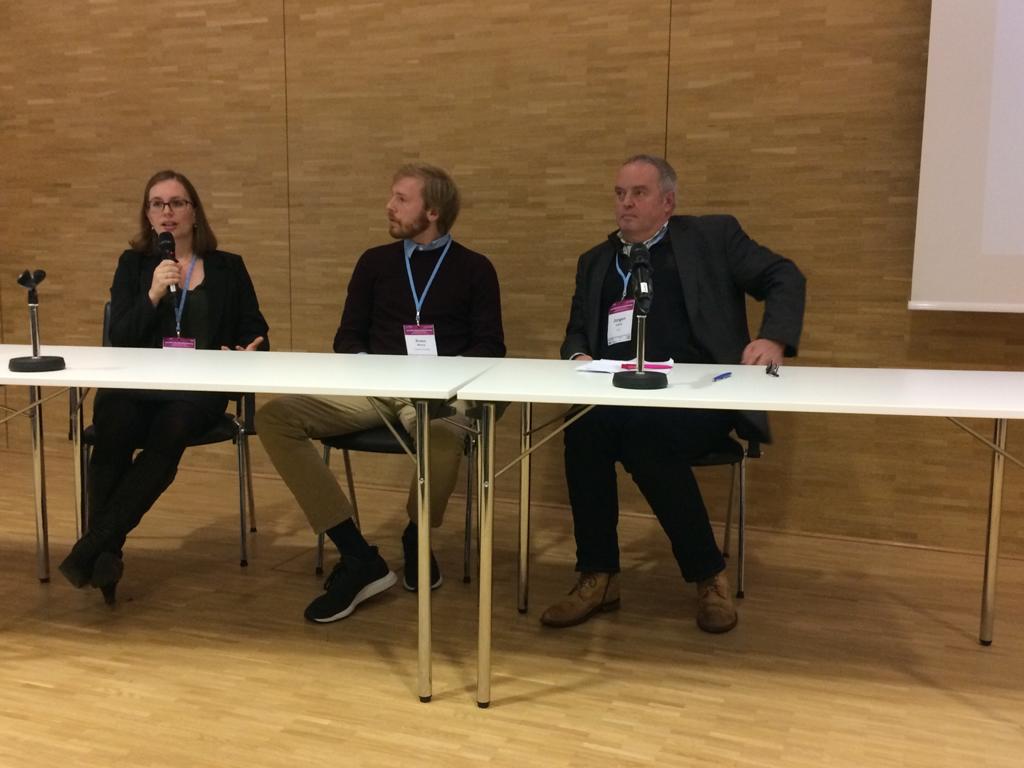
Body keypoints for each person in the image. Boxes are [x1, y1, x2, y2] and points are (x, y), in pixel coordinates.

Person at [542, 154, 805, 633]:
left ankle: (709, 576)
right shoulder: (596, 261)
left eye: (638, 193)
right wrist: (578, 355)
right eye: (620, 194)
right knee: (582, 431)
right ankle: (599, 575)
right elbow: (577, 331)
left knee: (646, 436)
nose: (625, 203)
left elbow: (784, 275)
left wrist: (774, 338)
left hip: (699, 396)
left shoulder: (712, 237)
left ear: (668, 202)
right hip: (618, 394)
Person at [257, 163, 505, 624]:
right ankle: (357, 555)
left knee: (444, 434)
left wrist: (441, 380)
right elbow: (347, 337)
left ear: (432, 211)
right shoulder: (374, 263)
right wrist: (370, 368)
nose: (389, 206)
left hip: (437, 394)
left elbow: (490, 346)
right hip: (374, 390)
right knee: (275, 417)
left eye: (401, 199)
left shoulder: (475, 268)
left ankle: (416, 537)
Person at [58, 170, 270, 604]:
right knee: (114, 426)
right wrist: (152, 294)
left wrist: (248, 349)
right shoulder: (133, 264)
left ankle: (92, 547)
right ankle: (103, 554)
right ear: (148, 214)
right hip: (135, 385)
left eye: (177, 202)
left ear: (194, 212)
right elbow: (120, 336)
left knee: (170, 430)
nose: (167, 212)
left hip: (197, 390)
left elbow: (257, 331)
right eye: (157, 204)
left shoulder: (228, 267)